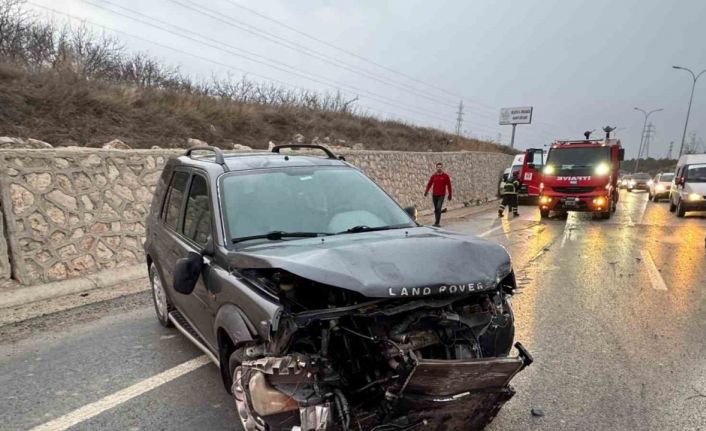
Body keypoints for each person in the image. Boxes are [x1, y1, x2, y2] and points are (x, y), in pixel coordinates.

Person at [424, 162, 452, 227]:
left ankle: (437, 223)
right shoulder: (433, 176)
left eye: (440, 167)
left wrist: (450, 195)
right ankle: (437, 220)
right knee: (436, 209)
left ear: (442, 168)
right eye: (438, 167)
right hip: (434, 195)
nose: (439, 168)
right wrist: (426, 191)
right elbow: (429, 184)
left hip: (441, 195)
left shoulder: (445, 176)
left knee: (438, 207)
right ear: (436, 168)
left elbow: (449, 186)